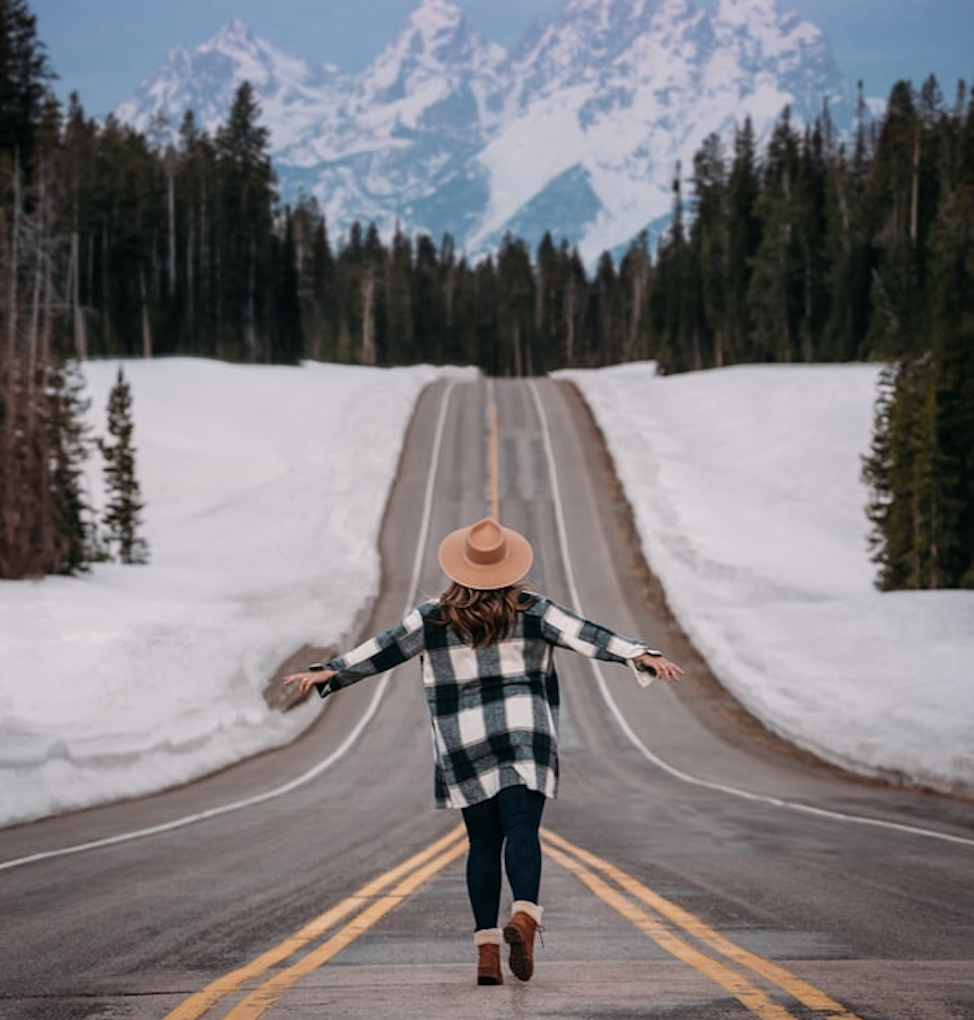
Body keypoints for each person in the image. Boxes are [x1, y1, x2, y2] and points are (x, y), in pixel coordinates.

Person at [285, 517, 684, 986]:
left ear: (460, 568)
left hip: (464, 741)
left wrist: (329, 672)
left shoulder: (432, 617)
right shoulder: (533, 609)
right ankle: (525, 916)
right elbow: (587, 634)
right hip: (525, 733)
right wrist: (639, 654)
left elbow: (383, 650)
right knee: (522, 830)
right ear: (510, 566)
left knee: (482, 845)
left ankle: (487, 955)